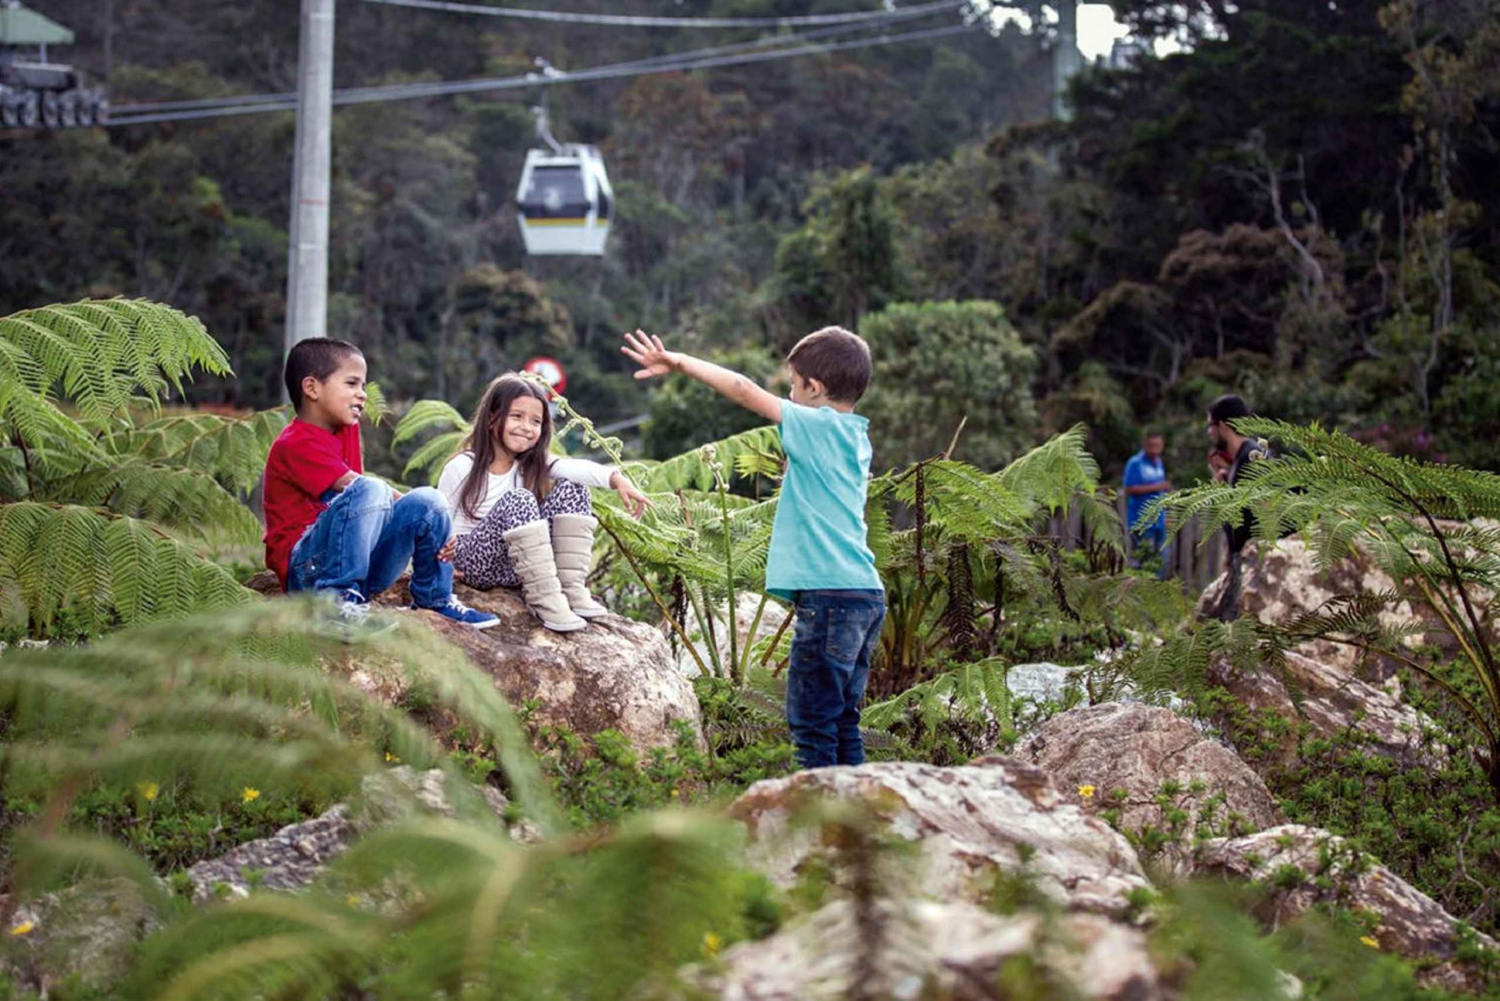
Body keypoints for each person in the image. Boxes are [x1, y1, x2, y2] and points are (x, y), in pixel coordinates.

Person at [622, 326, 885, 770]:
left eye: (792, 386)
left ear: (814, 388)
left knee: (812, 723)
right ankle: (852, 814)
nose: (787, 395)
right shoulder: (855, 435)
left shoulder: (816, 424)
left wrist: (681, 362)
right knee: (842, 722)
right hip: (863, 595)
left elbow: (744, 390)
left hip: (830, 597)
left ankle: (820, 818)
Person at [262, 338, 499, 632]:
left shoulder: (347, 429)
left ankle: (434, 598)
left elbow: (372, 507)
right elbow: (365, 493)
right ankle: (332, 606)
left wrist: (440, 532)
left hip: (358, 567)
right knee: (371, 488)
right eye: (352, 384)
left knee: (430, 501)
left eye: (363, 386)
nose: (362, 395)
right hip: (307, 574)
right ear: (312, 388)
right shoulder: (295, 444)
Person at [437, 373, 651, 633]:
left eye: (535, 421)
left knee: (573, 486)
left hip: (515, 566)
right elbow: (438, 519)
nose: (526, 427)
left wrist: (616, 479)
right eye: (517, 416)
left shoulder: (530, 466)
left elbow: (574, 467)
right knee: (519, 499)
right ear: (492, 417)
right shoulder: (463, 466)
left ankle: (569, 588)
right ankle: (545, 600)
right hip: (472, 562)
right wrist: (441, 567)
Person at [1205, 393, 1270, 620]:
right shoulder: (1245, 457)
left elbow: (1246, 522)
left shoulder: (1251, 459)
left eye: (1210, 426)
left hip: (1257, 565)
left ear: (1222, 426)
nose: (1209, 433)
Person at [1122, 432, 1172, 578]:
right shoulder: (1135, 463)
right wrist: (1156, 487)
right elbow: (1129, 488)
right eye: (1152, 446)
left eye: (1158, 446)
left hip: (1159, 521)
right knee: (1143, 561)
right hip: (1142, 522)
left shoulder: (1159, 463)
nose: (1155, 449)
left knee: (1162, 561)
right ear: (1145, 445)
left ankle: (1157, 593)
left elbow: (1161, 493)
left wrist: (1166, 514)